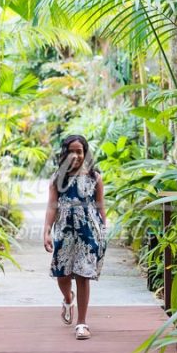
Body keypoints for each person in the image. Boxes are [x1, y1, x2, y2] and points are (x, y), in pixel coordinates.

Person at [43, 135, 107, 340]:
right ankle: (68, 298)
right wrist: (46, 230)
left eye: (79, 151)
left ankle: (82, 323)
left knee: (83, 275)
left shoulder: (95, 177)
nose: (76, 155)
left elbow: (100, 206)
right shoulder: (57, 179)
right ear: (65, 153)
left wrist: (104, 232)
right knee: (62, 276)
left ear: (85, 153)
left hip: (88, 232)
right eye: (71, 151)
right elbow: (52, 206)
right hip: (64, 231)